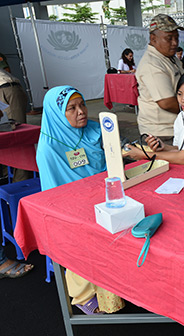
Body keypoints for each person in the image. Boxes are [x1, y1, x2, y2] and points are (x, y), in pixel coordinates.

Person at [36, 85, 125, 315]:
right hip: (71, 208)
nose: (82, 111)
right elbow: (53, 194)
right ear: (57, 114)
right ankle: (83, 294)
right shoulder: (49, 148)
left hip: (108, 195)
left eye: (82, 104)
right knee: (84, 232)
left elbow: (114, 162)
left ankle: (121, 284)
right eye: (71, 108)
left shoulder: (96, 131)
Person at [136, 14, 184, 141]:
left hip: (174, 127)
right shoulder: (152, 64)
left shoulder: (171, 58)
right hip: (161, 133)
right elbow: (166, 102)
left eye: (176, 38)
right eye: (169, 38)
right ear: (153, 39)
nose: (175, 43)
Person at [0, 67, 32, 182]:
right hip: (6, 89)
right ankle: (6, 176)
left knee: (17, 138)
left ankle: (21, 180)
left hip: (6, 89)